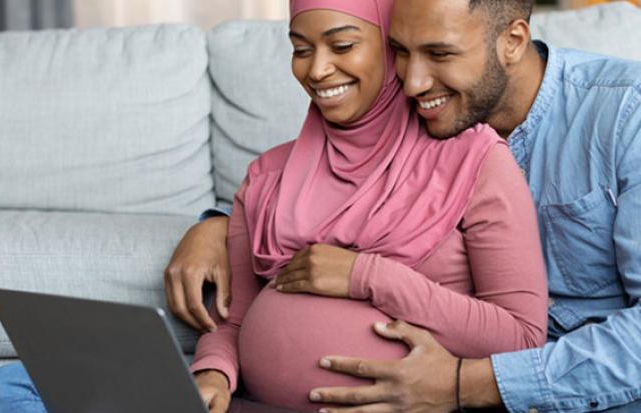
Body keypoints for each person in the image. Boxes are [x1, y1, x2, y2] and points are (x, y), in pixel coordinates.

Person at [170, 0, 641, 412]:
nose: (411, 83)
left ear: (513, 41)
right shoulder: (295, 168)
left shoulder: (622, 118)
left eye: (439, 53)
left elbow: (529, 334)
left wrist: (462, 385)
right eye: (399, 50)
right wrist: (217, 225)